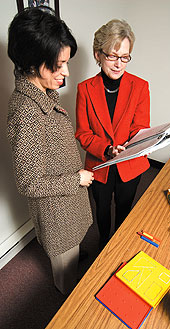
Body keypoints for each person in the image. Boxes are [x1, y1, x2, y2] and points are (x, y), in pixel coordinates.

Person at [7, 7, 94, 295]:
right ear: (33, 64)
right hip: (58, 211)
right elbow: (28, 183)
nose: (66, 72)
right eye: (58, 65)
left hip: (68, 204)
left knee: (72, 254)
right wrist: (76, 180)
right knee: (66, 279)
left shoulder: (40, 95)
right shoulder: (26, 114)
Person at [75, 19, 150, 249]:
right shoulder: (84, 89)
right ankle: (104, 243)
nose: (119, 64)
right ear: (98, 54)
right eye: (112, 56)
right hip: (100, 164)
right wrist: (108, 150)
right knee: (102, 208)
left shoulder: (140, 86)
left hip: (130, 162)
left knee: (125, 208)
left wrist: (132, 145)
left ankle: (119, 244)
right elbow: (83, 133)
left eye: (125, 57)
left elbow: (140, 127)